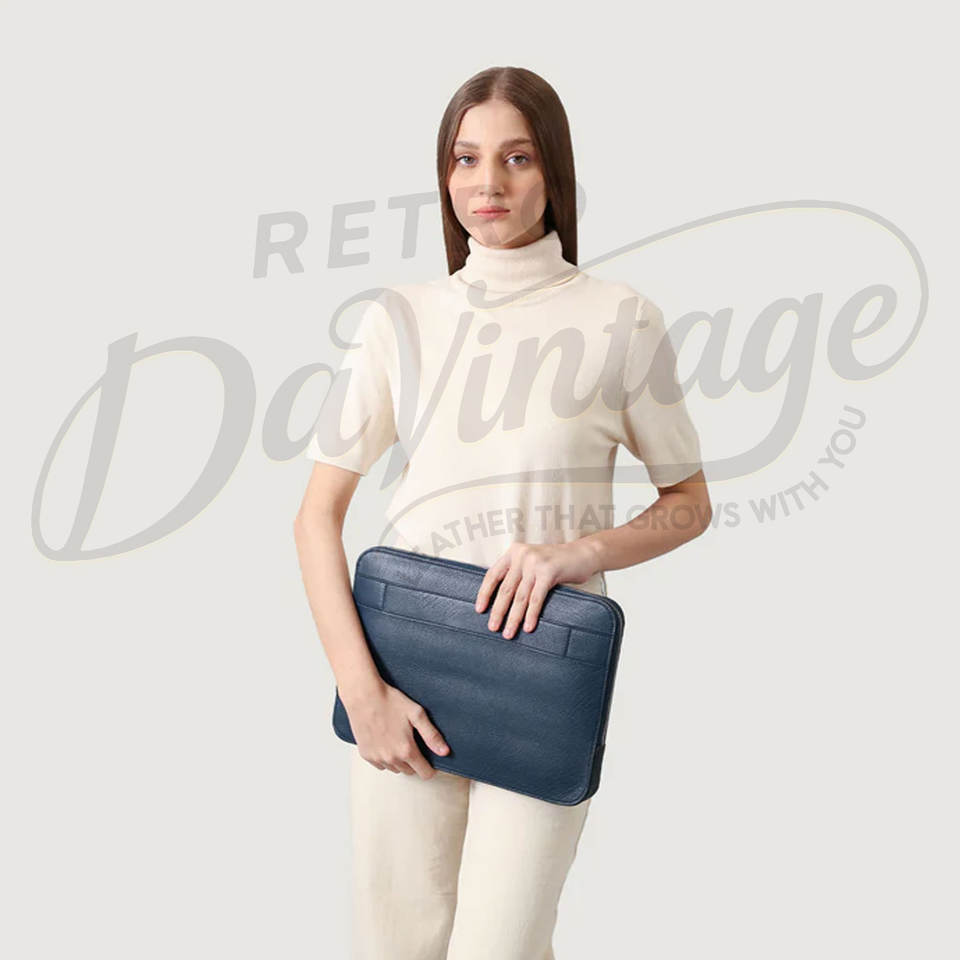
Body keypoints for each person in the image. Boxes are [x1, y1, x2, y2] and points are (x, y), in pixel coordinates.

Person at [294, 65, 712, 960]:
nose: (488, 182)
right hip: (404, 670)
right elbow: (315, 516)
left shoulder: (621, 319)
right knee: (395, 943)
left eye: (517, 158)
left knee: (502, 945)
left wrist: (576, 553)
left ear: (554, 170)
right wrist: (362, 695)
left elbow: (689, 504)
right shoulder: (400, 317)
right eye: (467, 158)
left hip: (543, 671)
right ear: (445, 175)